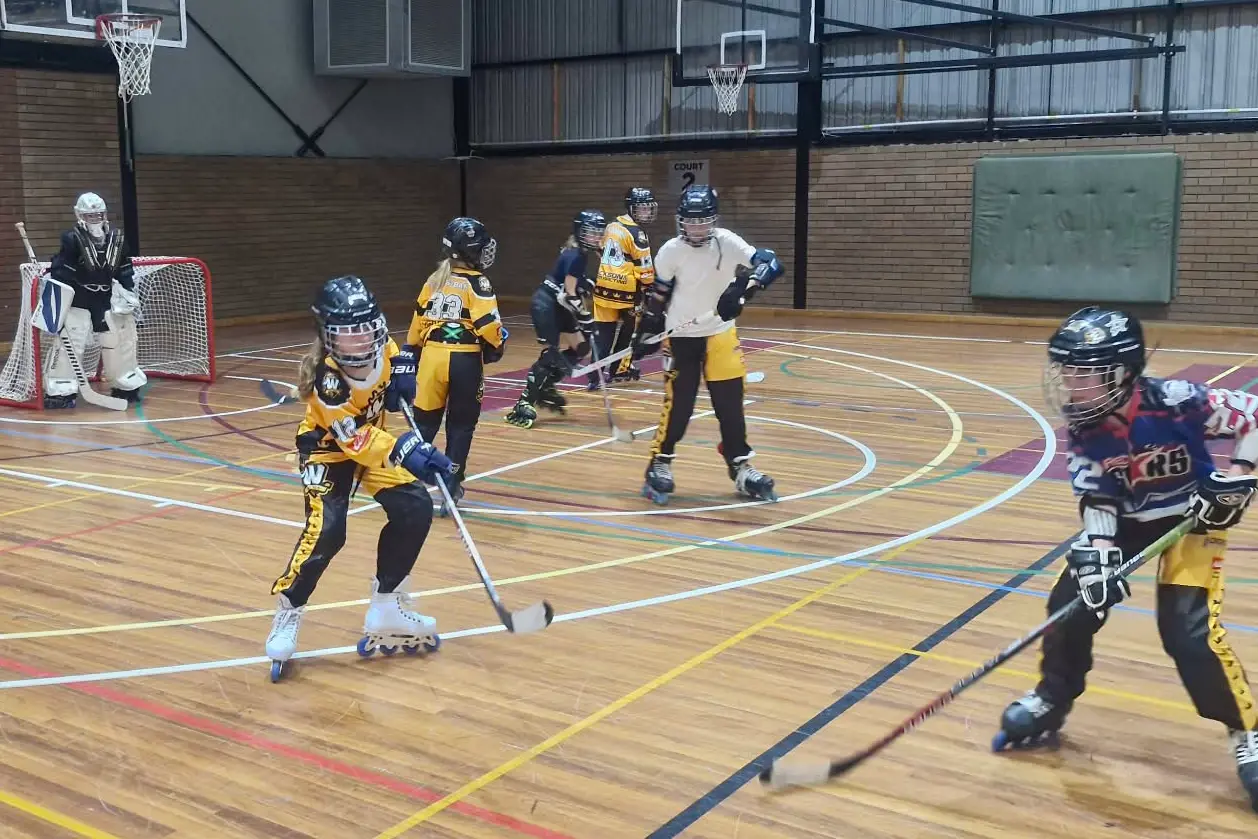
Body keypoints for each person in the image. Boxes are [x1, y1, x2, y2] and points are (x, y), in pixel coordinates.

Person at [993, 306, 1258, 811]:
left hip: (1194, 520)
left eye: (1081, 372)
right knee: (1071, 603)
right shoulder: (1086, 430)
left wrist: (1238, 476)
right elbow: (1098, 501)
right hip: (1130, 522)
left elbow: (1256, 414)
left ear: (1120, 373)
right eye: (1065, 371)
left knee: (1188, 635)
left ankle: (1245, 730)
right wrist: (1100, 558)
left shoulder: (1181, 402)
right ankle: (1053, 696)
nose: (1069, 383)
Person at [264, 275, 456, 682]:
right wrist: (408, 450)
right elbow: (355, 440)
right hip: (330, 447)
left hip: (374, 442)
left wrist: (405, 372)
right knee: (328, 531)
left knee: (414, 507)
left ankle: (387, 602)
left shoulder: (382, 346)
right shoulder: (327, 382)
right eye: (348, 332)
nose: (361, 338)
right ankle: (289, 610)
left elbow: (395, 366)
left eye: (366, 326)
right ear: (328, 337)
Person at [632, 184, 782, 505]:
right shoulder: (671, 251)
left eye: (703, 221)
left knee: (730, 404)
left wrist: (745, 289)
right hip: (681, 337)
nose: (696, 227)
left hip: (720, 332)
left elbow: (769, 263)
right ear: (680, 220)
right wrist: (646, 329)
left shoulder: (727, 243)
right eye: (690, 221)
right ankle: (660, 460)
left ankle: (740, 465)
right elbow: (659, 293)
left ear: (713, 221)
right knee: (680, 405)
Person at [398, 216, 507, 517]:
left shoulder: (433, 280)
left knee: (424, 425)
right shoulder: (478, 283)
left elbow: (415, 328)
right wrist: (498, 344)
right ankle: (451, 484)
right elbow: (488, 327)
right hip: (464, 360)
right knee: (460, 426)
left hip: (431, 359)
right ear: (470, 250)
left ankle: (406, 483)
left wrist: (409, 357)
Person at [504, 209, 606, 429]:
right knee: (551, 355)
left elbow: (572, 285)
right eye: (591, 233)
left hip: (558, 307)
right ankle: (524, 402)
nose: (596, 238)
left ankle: (546, 386)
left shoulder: (578, 253)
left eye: (598, 233)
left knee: (582, 349)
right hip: (546, 306)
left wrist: (587, 284)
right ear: (580, 233)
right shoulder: (576, 255)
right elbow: (568, 295)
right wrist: (587, 319)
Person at [42, 192, 146, 408]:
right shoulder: (71, 239)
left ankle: (126, 382)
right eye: (90, 216)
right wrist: (63, 277)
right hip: (79, 297)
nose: (95, 219)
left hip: (107, 298)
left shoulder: (116, 239)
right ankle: (61, 388)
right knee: (71, 341)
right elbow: (61, 269)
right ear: (80, 215)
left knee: (118, 340)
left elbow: (124, 267)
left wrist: (127, 290)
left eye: (98, 215)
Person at [589, 187, 657, 388]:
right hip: (627, 293)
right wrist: (650, 286)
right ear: (631, 208)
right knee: (629, 332)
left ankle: (595, 376)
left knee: (603, 335)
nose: (646, 213)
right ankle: (619, 368)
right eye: (642, 209)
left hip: (602, 289)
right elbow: (645, 268)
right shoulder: (638, 233)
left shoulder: (611, 226)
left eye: (648, 208)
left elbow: (599, 249)